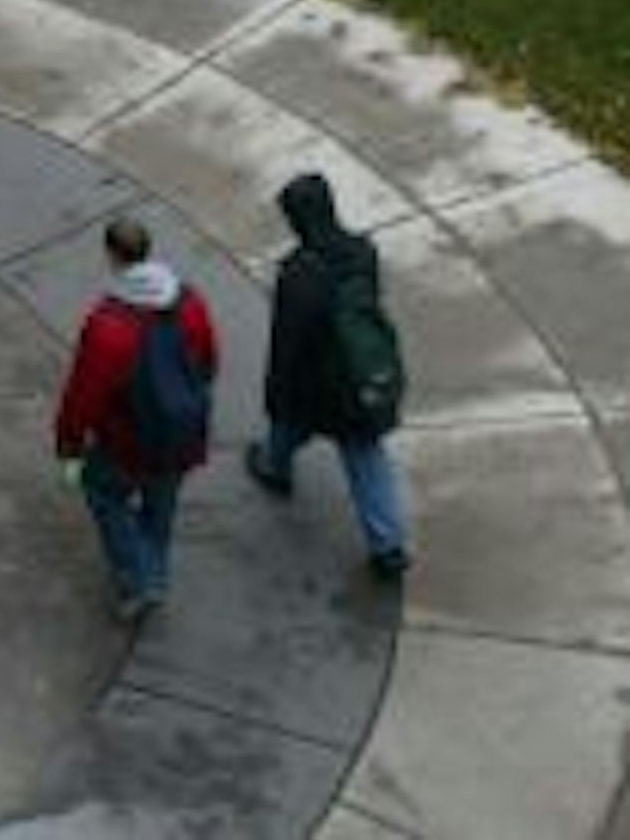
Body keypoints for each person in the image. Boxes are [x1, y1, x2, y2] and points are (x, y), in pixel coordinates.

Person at [55, 212, 220, 623]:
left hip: (127, 444)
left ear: (112, 256)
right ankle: (155, 574)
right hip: (182, 436)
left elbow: (84, 397)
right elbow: (210, 363)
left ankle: (140, 580)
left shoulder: (108, 326)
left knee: (103, 494)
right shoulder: (190, 302)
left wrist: (69, 447)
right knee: (161, 506)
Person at [247, 171, 412, 579]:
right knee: (365, 459)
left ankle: (274, 469)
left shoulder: (299, 274)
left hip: (314, 387)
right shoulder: (363, 252)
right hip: (356, 385)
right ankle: (387, 545)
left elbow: (287, 344)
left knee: (287, 427)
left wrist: (275, 390)